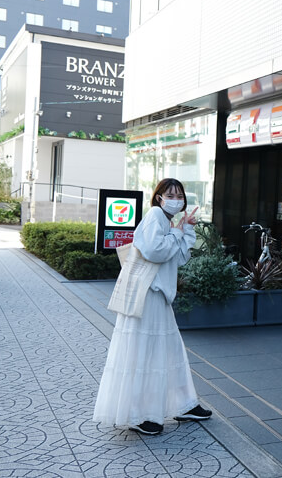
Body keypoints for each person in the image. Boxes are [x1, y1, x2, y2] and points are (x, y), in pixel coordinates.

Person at [93, 178, 212, 435]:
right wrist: (178, 232)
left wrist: (185, 228)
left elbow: (178, 257)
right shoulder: (155, 215)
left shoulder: (166, 221)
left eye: (180, 195)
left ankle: (183, 404)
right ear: (159, 197)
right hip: (148, 296)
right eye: (171, 194)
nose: (176, 199)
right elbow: (154, 251)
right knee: (147, 353)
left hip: (157, 296)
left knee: (164, 351)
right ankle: (140, 415)